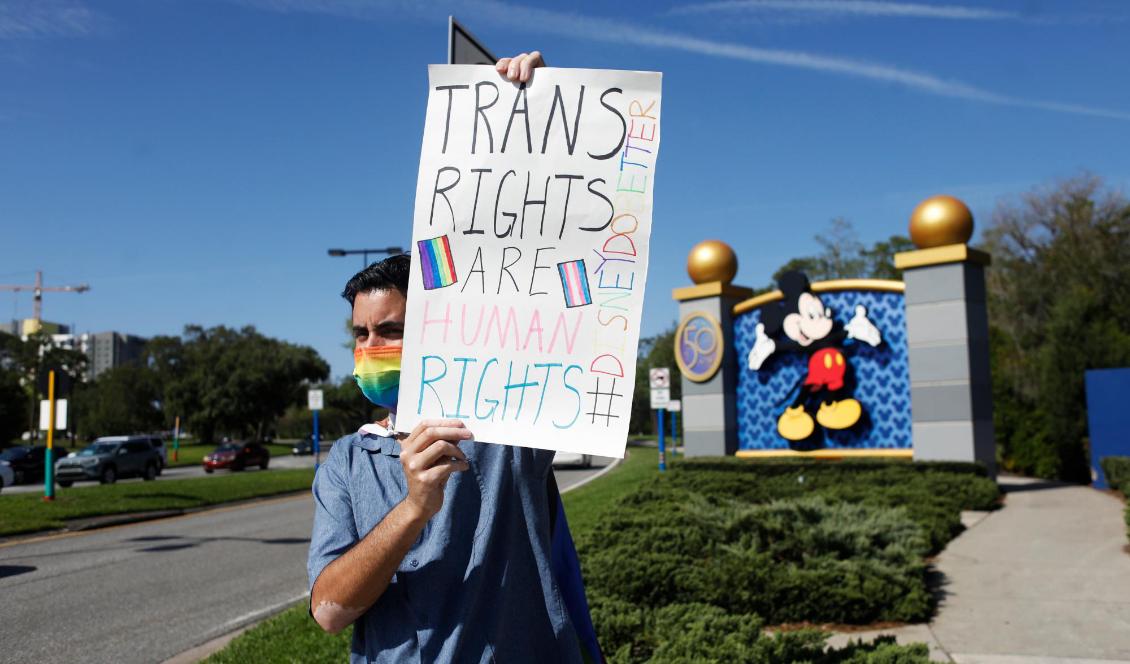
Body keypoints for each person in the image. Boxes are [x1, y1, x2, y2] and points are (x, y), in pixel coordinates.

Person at [307, 51, 599, 663]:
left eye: (388, 330)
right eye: (359, 334)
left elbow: (566, 288)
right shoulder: (348, 461)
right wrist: (414, 507)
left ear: (442, 328)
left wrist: (529, 117)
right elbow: (331, 611)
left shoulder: (506, 426)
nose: (369, 349)